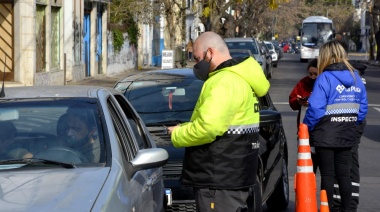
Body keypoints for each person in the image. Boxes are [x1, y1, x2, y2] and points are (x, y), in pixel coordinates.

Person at [167, 31, 270, 211]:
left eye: (198, 59)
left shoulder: (224, 81)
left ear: (210, 53)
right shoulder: (241, 79)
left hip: (218, 178)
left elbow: (208, 127)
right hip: (237, 175)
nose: (197, 64)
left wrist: (177, 134)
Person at [303, 40, 368, 212]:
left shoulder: (324, 78)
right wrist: (353, 124)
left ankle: (327, 208)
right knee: (344, 174)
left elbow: (316, 109)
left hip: (325, 134)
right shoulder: (356, 77)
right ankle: (347, 209)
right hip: (347, 133)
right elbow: (362, 109)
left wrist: (306, 127)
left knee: (327, 175)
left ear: (325, 57)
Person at [332, 61, 367, 212]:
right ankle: (349, 203)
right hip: (354, 126)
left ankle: (343, 203)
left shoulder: (353, 82)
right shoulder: (359, 81)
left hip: (345, 126)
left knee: (344, 167)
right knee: (350, 166)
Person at [289, 58, 318, 173]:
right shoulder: (303, 83)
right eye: (310, 74)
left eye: (315, 74)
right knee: (307, 166)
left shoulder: (325, 83)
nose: (312, 77)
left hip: (321, 130)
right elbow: (292, 100)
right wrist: (298, 102)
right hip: (304, 130)